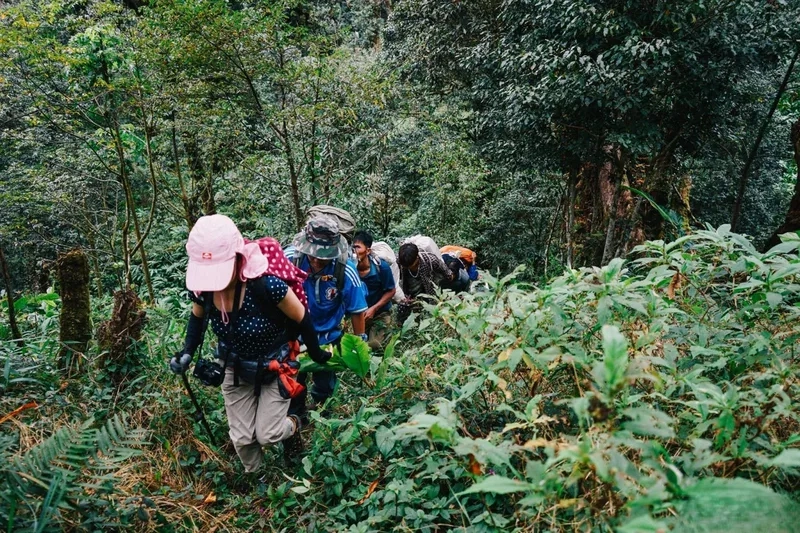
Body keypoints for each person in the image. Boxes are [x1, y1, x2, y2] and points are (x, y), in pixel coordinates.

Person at [169, 214, 331, 472]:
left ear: (238, 259)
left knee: (268, 433)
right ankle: (258, 479)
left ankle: (296, 423)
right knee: (242, 438)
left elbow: (302, 317)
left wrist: (315, 351)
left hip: (275, 362)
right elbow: (196, 321)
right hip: (233, 365)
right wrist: (187, 351)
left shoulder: (266, 286)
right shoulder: (204, 291)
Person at [285, 215, 368, 418]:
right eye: (311, 254)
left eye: (321, 256)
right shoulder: (289, 261)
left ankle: (324, 419)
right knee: (293, 383)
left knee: (325, 386)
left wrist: (359, 346)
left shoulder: (345, 271)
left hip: (327, 338)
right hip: (294, 337)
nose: (314, 259)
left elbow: (357, 311)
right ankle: (297, 419)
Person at [352, 230, 396, 354]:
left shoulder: (381, 267)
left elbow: (391, 291)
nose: (354, 251)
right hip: (360, 314)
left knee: (375, 345)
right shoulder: (350, 269)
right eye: (353, 247)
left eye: (358, 247)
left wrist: (374, 308)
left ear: (368, 251)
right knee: (359, 348)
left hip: (380, 312)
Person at [396, 241, 453, 322]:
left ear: (417, 258)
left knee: (431, 317)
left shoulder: (430, 260)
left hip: (429, 292)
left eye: (412, 266)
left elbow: (448, 274)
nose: (409, 268)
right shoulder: (399, 261)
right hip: (409, 292)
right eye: (406, 267)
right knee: (405, 316)